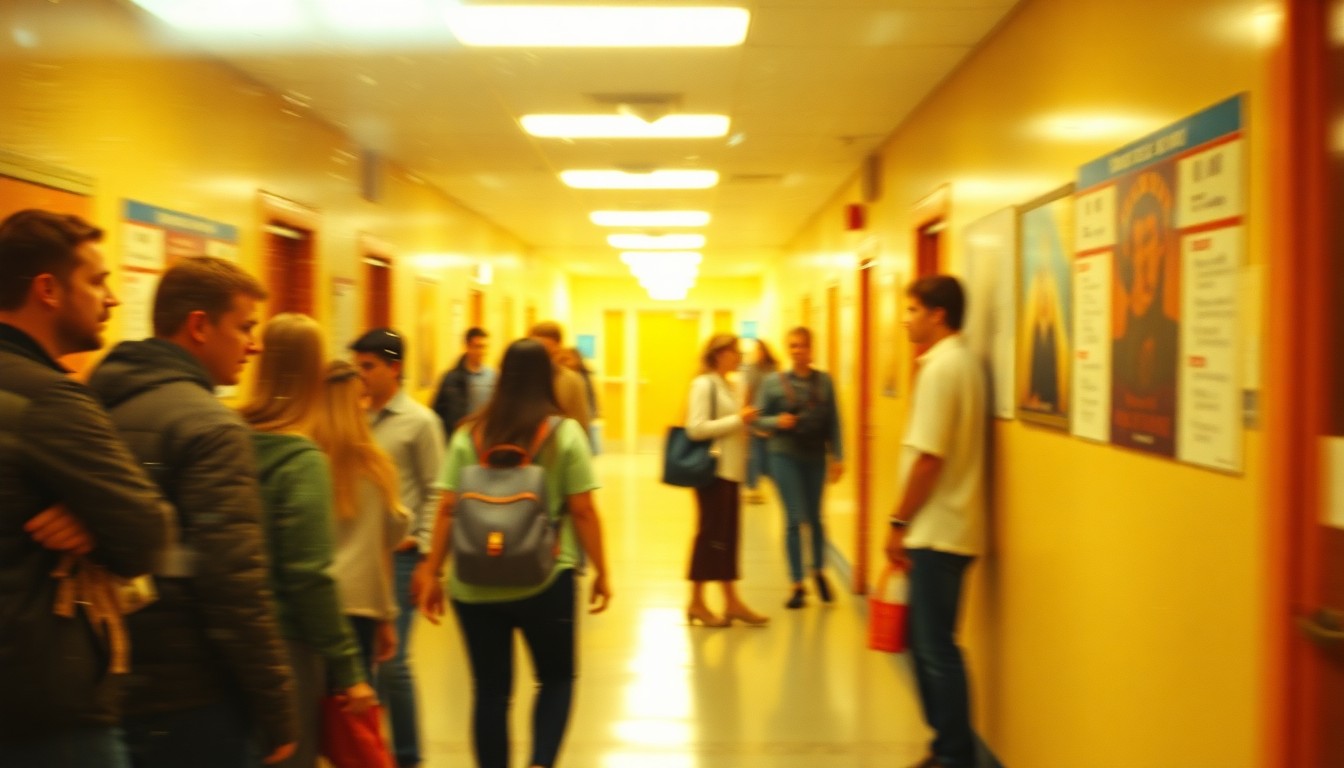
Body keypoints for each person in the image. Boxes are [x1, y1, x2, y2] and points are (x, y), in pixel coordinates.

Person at [87, 255, 298, 768]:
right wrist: (277, 709)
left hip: (101, 676)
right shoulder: (212, 428)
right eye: (245, 327)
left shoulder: (89, 402)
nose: (256, 344)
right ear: (199, 326)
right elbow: (233, 583)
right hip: (192, 696)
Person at [0, 209, 171, 768]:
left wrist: (92, 516)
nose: (113, 298)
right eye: (97, 281)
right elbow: (145, 535)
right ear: (47, 290)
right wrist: (102, 522)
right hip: (45, 706)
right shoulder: (51, 401)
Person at [412, 338, 611, 768]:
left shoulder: (470, 433)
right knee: (556, 679)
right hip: (546, 578)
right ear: (548, 378)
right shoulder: (565, 434)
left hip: (475, 581)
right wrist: (603, 572)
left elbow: (447, 506)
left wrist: (431, 572)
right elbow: (583, 510)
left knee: (490, 690)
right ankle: (540, 762)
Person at [239, 314, 376, 768]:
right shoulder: (301, 459)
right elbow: (310, 577)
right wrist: (349, 669)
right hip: (287, 648)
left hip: (227, 638)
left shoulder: (227, 435)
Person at [884, 276, 987, 768]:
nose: (906, 318)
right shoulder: (959, 363)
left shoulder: (943, 369)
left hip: (937, 531)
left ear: (938, 315)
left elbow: (929, 458)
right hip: (949, 528)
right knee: (926, 643)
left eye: (912, 309)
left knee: (935, 648)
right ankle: (947, 744)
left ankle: (954, 753)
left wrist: (897, 521)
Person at [351, 327, 445, 768]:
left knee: (394, 662)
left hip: (403, 558)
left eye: (368, 367)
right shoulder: (352, 416)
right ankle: (371, 753)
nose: (361, 376)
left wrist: (428, 560)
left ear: (395, 368)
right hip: (361, 558)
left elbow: (437, 492)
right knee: (362, 665)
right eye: (357, 367)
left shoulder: (421, 423)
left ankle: (407, 757)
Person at [313, 360, 408, 681]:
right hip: (361, 606)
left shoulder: (303, 462)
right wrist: (388, 618)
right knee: (351, 713)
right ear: (359, 402)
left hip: (314, 600)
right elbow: (384, 552)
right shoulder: (378, 469)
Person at [754, 327, 843, 609]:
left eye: (802, 346)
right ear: (787, 349)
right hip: (784, 455)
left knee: (815, 517)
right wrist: (775, 423)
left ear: (811, 349)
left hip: (815, 456)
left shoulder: (825, 382)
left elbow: (834, 422)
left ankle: (817, 570)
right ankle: (796, 584)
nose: (797, 351)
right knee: (794, 517)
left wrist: (838, 457)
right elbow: (756, 419)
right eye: (792, 346)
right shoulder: (772, 383)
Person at [683, 334, 768, 628]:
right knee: (710, 537)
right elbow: (695, 428)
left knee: (727, 539)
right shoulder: (703, 384)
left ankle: (732, 601)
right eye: (734, 351)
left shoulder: (728, 384)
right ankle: (696, 601)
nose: (739, 356)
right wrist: (738, 420)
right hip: (712, 473)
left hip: (731, 472)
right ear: (718, 354)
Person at [1113, 180, 1179, 452]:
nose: (1142, 261)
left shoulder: (1178, 342)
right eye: (1133, 247)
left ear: (1163, 248)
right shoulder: (1114, 353)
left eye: (1149, 242)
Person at [528, 321, 592, 434]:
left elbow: (580, 422)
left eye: (545, 347)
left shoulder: (571, 380)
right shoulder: (525, 377)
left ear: (558, 346)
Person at [431, 326, 496, 435]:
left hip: (485, 437)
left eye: (485, 347)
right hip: (459, 436)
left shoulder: (493, 376)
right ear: (467, 347)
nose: (482, 351)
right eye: (478, 347)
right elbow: (438, 412)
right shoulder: (451, 379)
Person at [741, 339, 778, 504]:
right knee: (754, 453)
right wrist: (745, 412)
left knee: (767, 452)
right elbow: (748, 392)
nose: (757, 354)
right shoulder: (751, 370)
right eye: (755, 351)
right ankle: (752, 487)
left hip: (770, 415)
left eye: (759, 350)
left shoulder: (774, 369)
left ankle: (760, 485)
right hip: (755, 413)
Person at [557, 346, 600, 453]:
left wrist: (594, 412)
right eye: (562, 360)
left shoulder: (582, 377)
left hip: (584, 413)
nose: (565, 363)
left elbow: (591, 396)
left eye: (567, 359)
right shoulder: (564, 377)